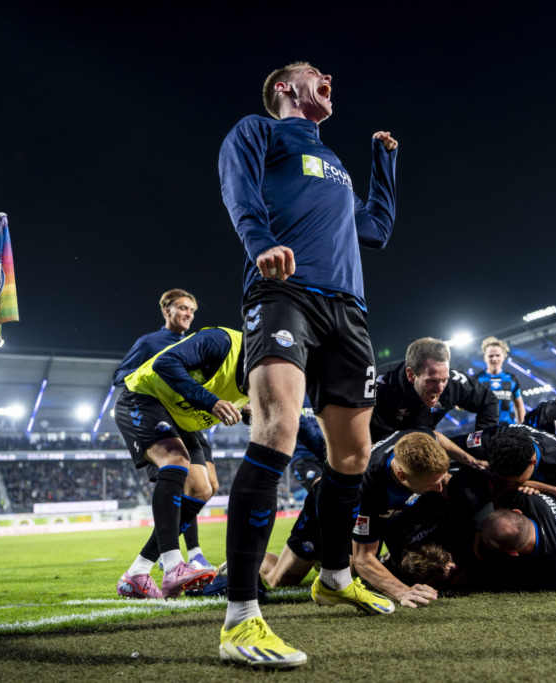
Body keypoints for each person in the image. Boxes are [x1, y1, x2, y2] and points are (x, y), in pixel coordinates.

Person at [217, 60, 398, 668]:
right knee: (278, 430)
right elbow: (238, 187)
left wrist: (383, 163)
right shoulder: (259, 132)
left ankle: (336, 573)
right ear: (283, 89)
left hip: (348, 308)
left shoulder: (339, 167)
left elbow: (375, 229)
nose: (328, 78)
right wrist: (259, 242)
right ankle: (241, 617)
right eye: (313, 73)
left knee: (353, 455)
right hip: (284, 291)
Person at [114, 326, 250, 601]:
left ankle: (137, 572)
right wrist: (211, 401)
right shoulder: (221, 340)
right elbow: (165, 362)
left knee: (202, 489)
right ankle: (174, 563)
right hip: (144, 396)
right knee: (175, 459)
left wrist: (250, 411)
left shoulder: (267, 374)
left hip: (182, 417)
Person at [265, 429, 454, 609]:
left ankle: (326, 559)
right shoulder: (369, 490)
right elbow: (364, 559)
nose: (440, 488)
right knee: (281, 579)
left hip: (370, 508)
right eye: (432, 483)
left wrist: (470, 460)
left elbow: (435, 435)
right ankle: (245, 558)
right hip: (329, 508)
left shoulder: (419, 441)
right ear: (402, 475)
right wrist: (403, 592)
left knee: (351, 572)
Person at [113, 288, 219, 572]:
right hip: (159, 418)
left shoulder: (197, 344)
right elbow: (120, 376)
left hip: (192, 421)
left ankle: (165, 552)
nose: (189, 314)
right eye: (183, 308)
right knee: (182, 479)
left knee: (206, 487)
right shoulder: (150, 342)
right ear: (167, 310)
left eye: (193, 311)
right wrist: (156, 377)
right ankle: (181, 554)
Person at [372, 337, 499, 442]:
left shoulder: (456, 382)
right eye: (431, 381)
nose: (440, 388)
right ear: (411, 375)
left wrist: (482, 443)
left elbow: (489, 401)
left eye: (444, 379)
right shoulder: (380, 382)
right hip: (380, 446)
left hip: (424, 440)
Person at [476, 337, 525, 425]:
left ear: (503, 357)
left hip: (507, 429)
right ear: (485, 358)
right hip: (485, 430)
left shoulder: (512, 379)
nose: (494, 359)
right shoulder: (477, 379)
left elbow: (519, 405)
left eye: (497, 355)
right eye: (491, 356)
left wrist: (522, 426)